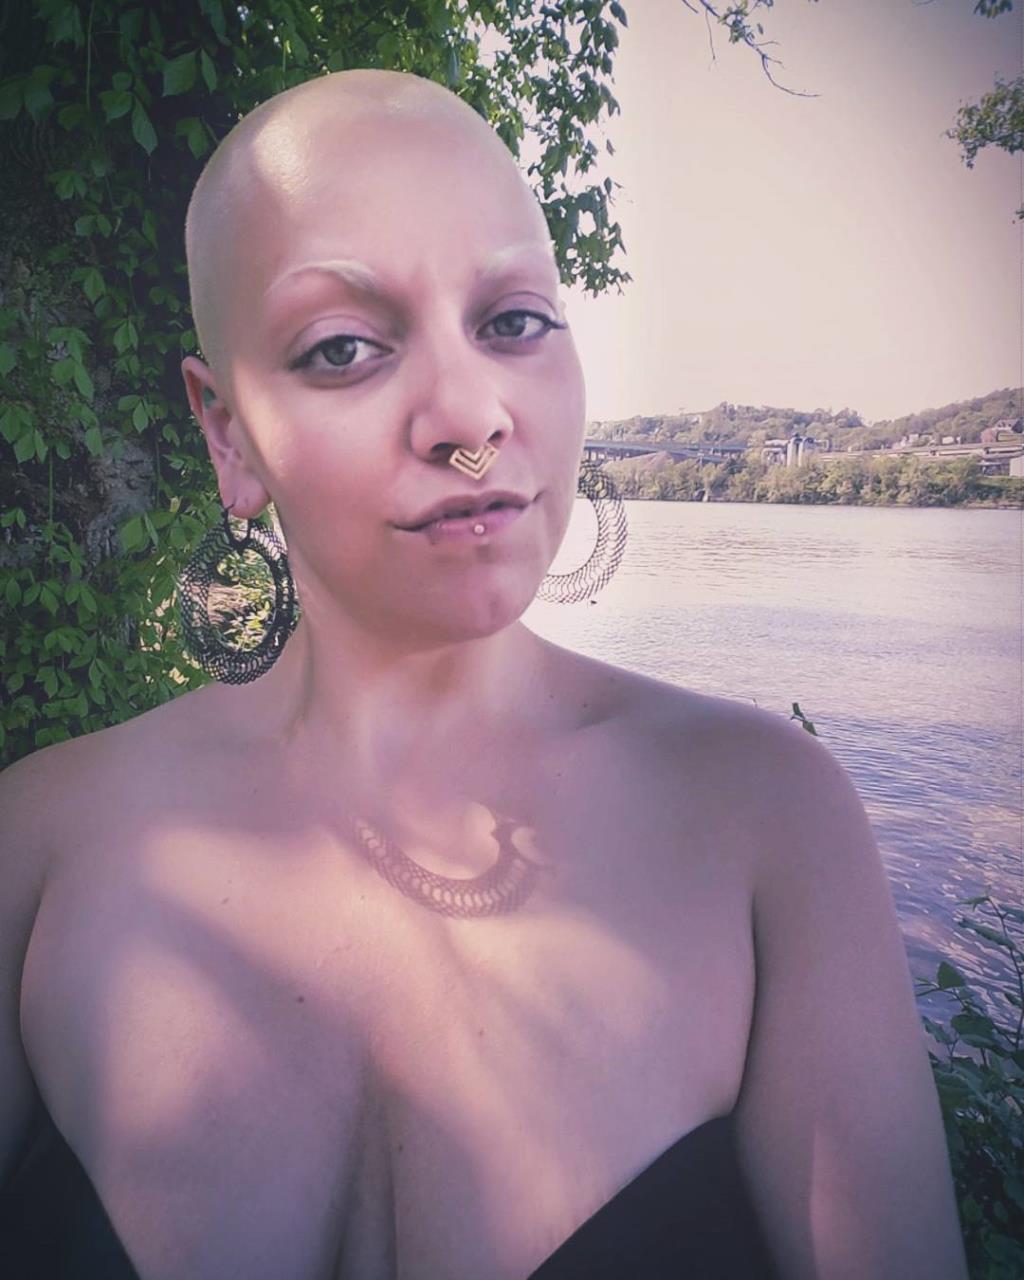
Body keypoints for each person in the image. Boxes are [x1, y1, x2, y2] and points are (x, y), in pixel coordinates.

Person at [0, 68, 968, 1279]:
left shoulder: (769, 822)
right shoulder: (39, 843)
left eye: (513, 322)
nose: (470, 418)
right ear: (226, 433)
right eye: (343, 347)